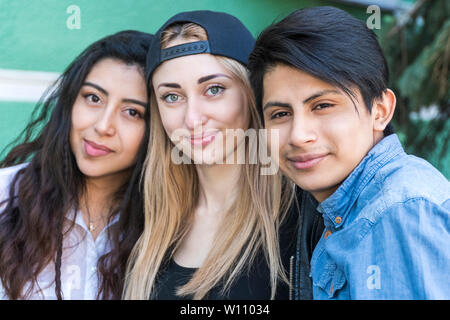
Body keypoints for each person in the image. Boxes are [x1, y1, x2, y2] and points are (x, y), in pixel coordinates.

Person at [248, 6, 450, 299]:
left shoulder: (399, 212)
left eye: (323, 106)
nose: (299, 136)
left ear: (380, 110)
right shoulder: (342, 211)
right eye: (280, 114)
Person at [123, 10, 298, 300]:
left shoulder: (305, 215)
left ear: (252, 92)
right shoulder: (152, 230)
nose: (192, 119)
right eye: (171, 96)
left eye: (214, 89)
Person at [0, 30, 154, 299]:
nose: (103, 126)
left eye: (132, 112)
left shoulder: (166, 227)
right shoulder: (4, 195)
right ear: (70, 101)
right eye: (93, 98)